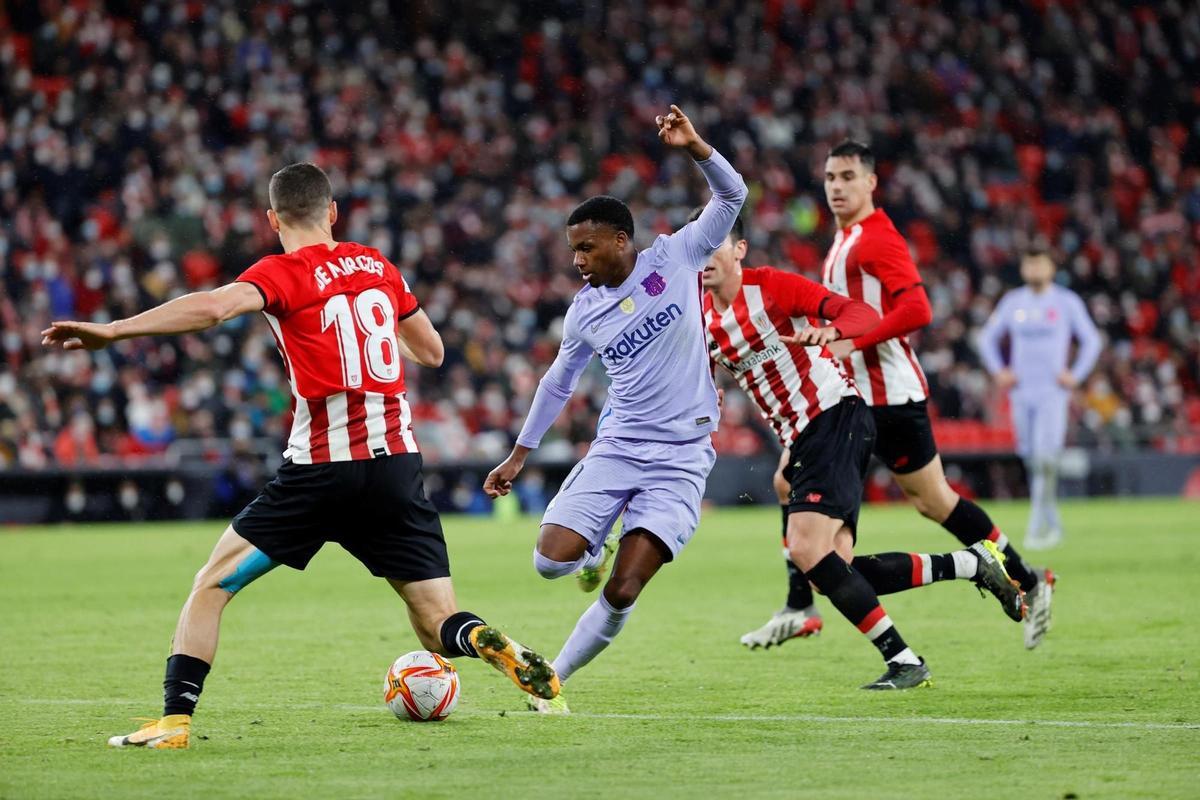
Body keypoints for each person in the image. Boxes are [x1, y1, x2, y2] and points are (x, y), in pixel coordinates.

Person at [42, 163, 558, 749]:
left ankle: (175, 722)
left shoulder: (280, 272)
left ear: (272, 219)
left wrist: (112, 331)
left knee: (211, 587)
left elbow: (212, 308)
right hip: (396, 465)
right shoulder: (378, 265)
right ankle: (491, 644)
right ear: (333, 211)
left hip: (321, 468)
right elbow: (434, 353)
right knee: (438, 626)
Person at [735, 139, 1056, 651]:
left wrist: (848, 340)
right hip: (850, 395)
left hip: (884, 395)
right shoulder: (843, 240)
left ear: (870, 183)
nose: (836, 187)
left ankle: (1022, 579)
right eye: (830, 178)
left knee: (926, 502)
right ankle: (803, 605)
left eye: (847, 177)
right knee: (810, 491)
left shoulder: (876, 239)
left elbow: (919, 309)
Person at [483, 106, 745, 713]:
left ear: (621, 241)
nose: (577, 260)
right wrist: (519, 456)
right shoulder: (583, 312)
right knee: (550, 562)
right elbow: (557, 383)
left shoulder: (676, 258)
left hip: (682, 456)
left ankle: (553, 678)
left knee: (626, 588)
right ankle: (591, 550)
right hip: (619, 447)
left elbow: (733, 196)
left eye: (587, 248)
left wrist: (695, 146)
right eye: (573, 250)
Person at [700, 210, 1025, 690]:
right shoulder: (702, 316)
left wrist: (832, 331)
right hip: (805, 433)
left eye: (716, 245)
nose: (705, 257)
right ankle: (972, 563)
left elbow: (862, 315)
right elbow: (698, 377)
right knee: (835, 568)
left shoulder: (772, 287)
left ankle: (901, 659)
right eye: (698, 247)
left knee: (807, 547)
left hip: (834, 415)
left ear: (740, 250)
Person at [978, 250, 1102, 549]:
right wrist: (999, 371)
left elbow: (1092, 340)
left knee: (1046, 458)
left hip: (1052, 392)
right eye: (1029, 262)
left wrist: (1075, 374)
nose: (1034, 268)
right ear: (1023, 267)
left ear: (1051, 267)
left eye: (1040, 262)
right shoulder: (1013, 302)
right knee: (1032, 459)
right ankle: (1053, 523)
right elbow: (986, 338)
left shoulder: (1065, 302)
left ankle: (1035, 527)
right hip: (1021, 391)